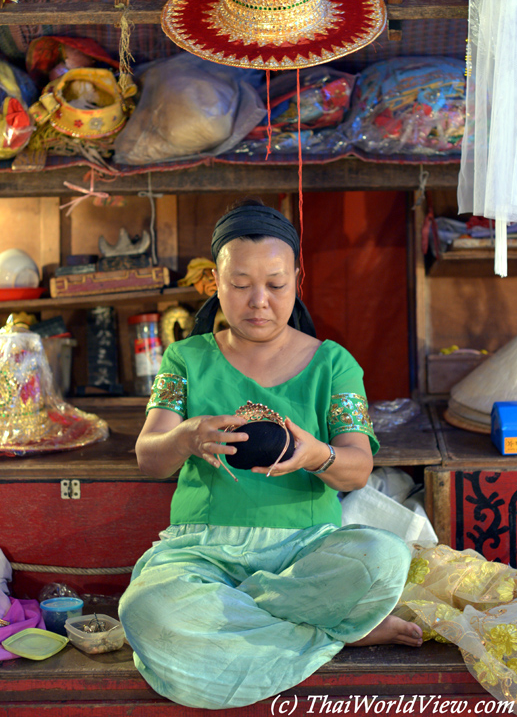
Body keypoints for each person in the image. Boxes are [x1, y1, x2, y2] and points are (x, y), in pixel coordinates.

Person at [118, 200, 422, 710]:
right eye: (240, 285)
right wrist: (187, 435)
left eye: (276, 285)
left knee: (383, 558)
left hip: (304, 556)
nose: (258, 301)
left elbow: (358, 468)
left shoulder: (332, 363)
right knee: (147, 610)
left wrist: (315, 456)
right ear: (215, 282)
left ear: (298, 280)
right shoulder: (186, 358)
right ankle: (338, 628)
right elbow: (149, 457)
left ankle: (259, 620)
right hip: (201, 555)